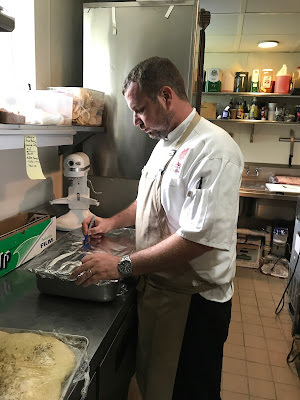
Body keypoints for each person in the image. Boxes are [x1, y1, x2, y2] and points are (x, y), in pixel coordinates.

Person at [71, 56, 244, 400]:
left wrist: (121, 265)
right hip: (161, 291)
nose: (135, 121)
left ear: (166, 96)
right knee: (157, 387)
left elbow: (199, 240)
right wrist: (112, 221)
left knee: (189, 391)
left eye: (140, 110)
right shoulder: (165, 142)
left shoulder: (213, 150)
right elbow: (149, 202)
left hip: (194, 304)